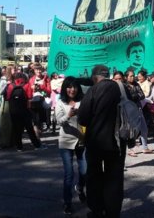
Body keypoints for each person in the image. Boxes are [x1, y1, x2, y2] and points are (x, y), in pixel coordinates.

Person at [78, 64, 125, 218]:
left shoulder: (92, 91)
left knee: (94, 176)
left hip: (95, 142)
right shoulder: (121, 88)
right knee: (115, 178)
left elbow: (83, 119)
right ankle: (113, 212)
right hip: (117, 141)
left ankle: (97, 209)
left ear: (94, 77)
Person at [55, 77, 86, 215]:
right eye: (69, 87)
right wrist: (68, 115)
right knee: (69, 174)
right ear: (65, 88)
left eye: (74, 87)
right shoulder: (60, 102)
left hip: (81, 141)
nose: (72, 89)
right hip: (66, 141)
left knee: (84, 171)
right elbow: (59, 122)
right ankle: (67, 203)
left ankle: (80, 187)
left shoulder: (82, 101)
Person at [6, 72, 43, 151]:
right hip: (25, 110)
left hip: (14, 111)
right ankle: (36, 145)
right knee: (29, 128)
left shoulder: (10, 86)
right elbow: (29, 97)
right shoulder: (27, 85)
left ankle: (19, 147)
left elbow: (8, 98)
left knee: (17, 129)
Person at [123, 69, 152, 156]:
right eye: (130, 76)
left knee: (144, 129)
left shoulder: (136, 84)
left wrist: (135, 95)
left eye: (133, 76)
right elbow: (129, 98)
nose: (133, 77)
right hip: (130, 111)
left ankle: (145, 147)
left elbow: (142, 96)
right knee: (132, 130)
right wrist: (135, 95)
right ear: (126, 77)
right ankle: (131, 149)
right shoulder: (125, 86)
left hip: (138, 108)